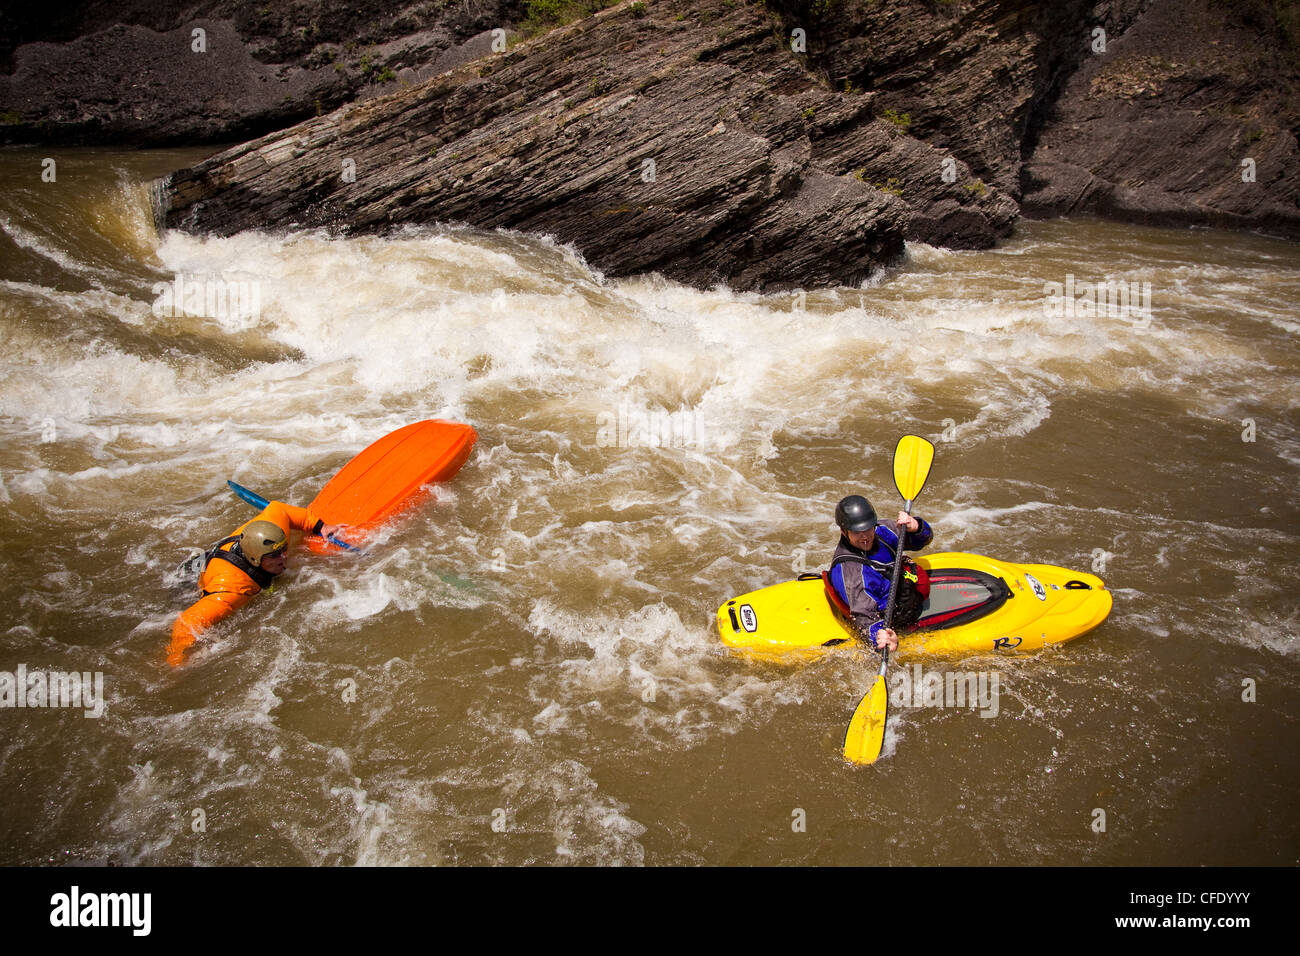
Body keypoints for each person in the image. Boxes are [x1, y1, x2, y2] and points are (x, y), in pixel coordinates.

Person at [167, 501, 339, 667]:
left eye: (283, 550)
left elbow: (279, 509)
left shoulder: (273, 534)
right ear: (255, 560)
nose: (283, 557)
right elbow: (186, 623)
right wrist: (177, 657)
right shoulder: (230, 590)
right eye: (275, 556)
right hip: (193, 577)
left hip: (221, 558)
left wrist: (319, 526)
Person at [827, 494, 932, 654]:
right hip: (890, 614)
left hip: (900, 589)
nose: (865, 537)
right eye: (857, 532)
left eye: (868, 528)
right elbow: (864, 618)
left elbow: (923, 540)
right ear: (843, 531)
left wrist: (916, 526)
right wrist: (883, 638)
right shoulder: (852, 574)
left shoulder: (882, 531)